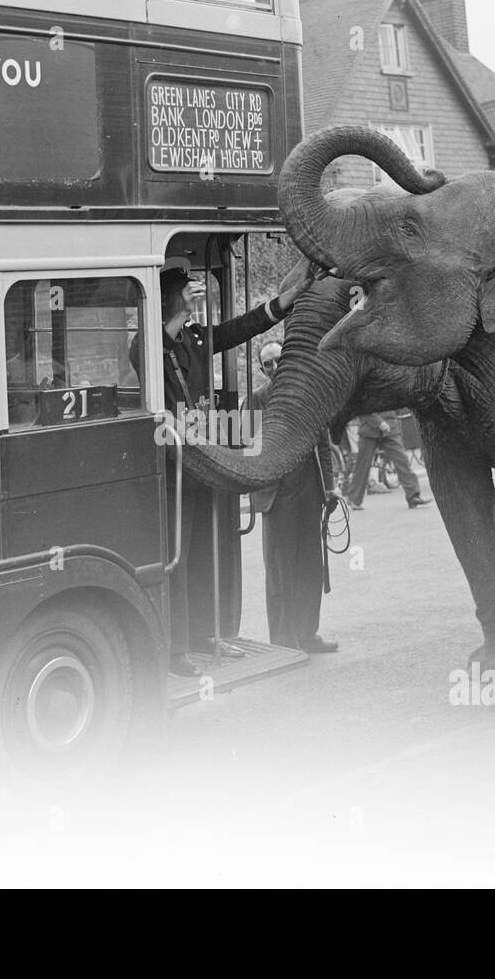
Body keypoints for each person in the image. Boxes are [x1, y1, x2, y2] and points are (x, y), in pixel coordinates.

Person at [136, 255, 313, 677]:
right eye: (187, 292)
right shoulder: (148, 344)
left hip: (203, 463)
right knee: (176, 559)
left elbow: (236, 330)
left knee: (201, 554)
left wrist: (282, 303)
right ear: (169, 301)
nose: (194, 298)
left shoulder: (194, 338)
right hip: (174, 467)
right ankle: (177, 649)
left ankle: (203, 633)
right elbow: (159, 401)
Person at [250, 340, 340, 653]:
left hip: (309, 491)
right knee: (280, 570)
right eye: (267, 364)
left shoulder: (310, 393)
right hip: (276, 496)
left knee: (310, 567)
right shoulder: (258, 400)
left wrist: (329, 486)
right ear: (262, 370)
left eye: (277, 360)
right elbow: (250, 448)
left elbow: (324, 444)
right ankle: (283, 642)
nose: (274, 368)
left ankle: (308, 634)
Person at [346, 411, 431, 510]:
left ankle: (413, 495)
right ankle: (354, 498)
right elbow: (361, 408)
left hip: (391, 428)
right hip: (369, 428)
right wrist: (379, 422)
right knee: (362, 466)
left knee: (402, 461)